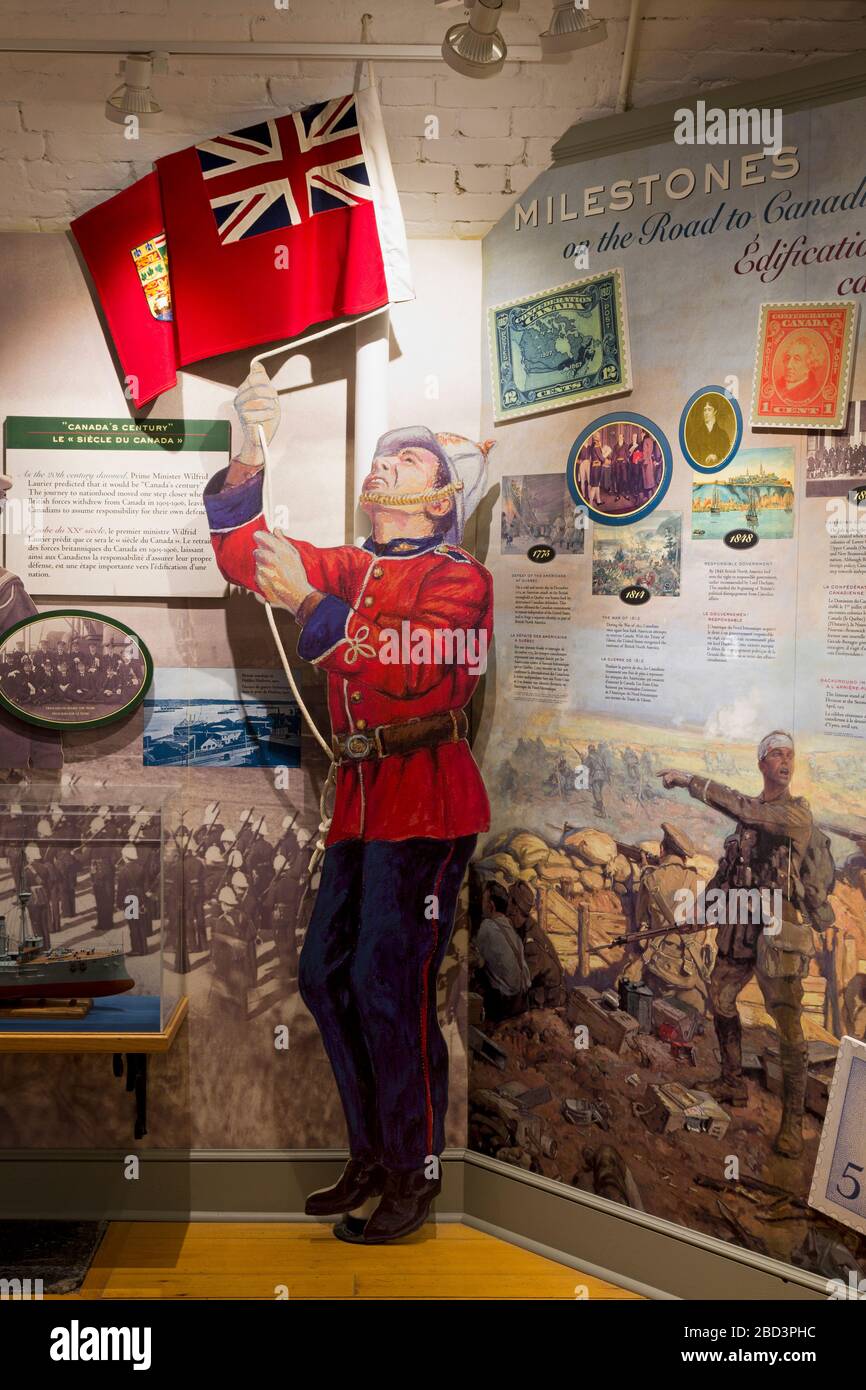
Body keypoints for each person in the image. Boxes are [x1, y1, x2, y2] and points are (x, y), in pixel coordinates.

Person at [202, 364, 493, 1244]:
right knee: (325, 979)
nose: (384, 467)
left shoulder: (462, 580)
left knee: (386, 985)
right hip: (363, 804)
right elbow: (241, 553)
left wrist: (313, 608)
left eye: (405, 460)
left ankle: (414, 1172)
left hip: (430, 805)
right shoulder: (355, 565)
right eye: (382, 458)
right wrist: (249, 451)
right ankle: (371, 1154)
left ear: (442, 498)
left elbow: (411, 663)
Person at [659, 731, 819, 1158]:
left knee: (787, 1026)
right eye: (776, 755)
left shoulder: (794, 814)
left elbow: (745, 808)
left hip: (777, 930)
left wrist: (692, 781)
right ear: (762, 764)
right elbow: (729, 874)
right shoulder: (748, 825)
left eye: (790, 754)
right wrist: (702, 909)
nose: (785, 761)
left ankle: (792, 1122)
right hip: (743, 926)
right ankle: (732, 1081)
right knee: (721, 996)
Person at [620, 824, 712, 1014]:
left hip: (660, 970)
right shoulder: (700, 881)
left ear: (662, 849)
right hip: (689, 970)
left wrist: (645, 871)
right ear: (685, 857)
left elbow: (641, 922)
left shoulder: (652, 879)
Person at [474, 879, 531, 1020]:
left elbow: (475, 958)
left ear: (491, 906)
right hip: (521, 1001)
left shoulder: (487, 926)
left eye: (483, 900)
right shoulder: (509, 926)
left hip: (503, 1005)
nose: (481, 904)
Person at [507, 879, 564, 1009]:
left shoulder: (531, 942)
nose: (506, 904)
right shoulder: (524, 925)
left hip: (547, 1000)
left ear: (515, 908)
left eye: (509, 900)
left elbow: (522, 982)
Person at [688, 397, 731, 469]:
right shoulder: (695, 435)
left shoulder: (723, 434)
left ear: (715, 411)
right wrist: (705, 459)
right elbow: (692, 457)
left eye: (709, 409)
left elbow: (727, 454)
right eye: (705, 410)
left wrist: (716, 456)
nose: (706, 413)